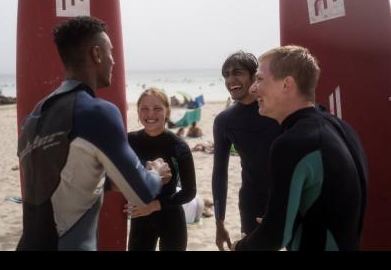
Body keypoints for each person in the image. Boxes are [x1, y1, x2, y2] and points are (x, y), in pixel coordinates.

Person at [16, 16, 172, 251]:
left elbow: (65, 179)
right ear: (97, 54)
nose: (113, 60)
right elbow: (141, 192)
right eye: (110, 52)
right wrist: (156, 173)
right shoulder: (98, 112)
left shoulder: (35, 115)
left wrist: (110, 182)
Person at [233, 45, 368, 251]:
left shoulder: (292, 143)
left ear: (287, 84)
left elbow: (274, 238)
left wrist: (240, 247)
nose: (252, 89)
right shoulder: (341, 128)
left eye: (259, 79)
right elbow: (334, 206)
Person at [212, 51, 282, 251]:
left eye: (237, 72)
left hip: (286, 197)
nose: (230, 79)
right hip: (252, 201)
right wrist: (219, 222)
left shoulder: (277, 110)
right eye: (226, 74)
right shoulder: (224, 121)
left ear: (254, 76)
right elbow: (219, 172)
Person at [126, 87, 196, 251]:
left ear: (168, 111)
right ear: (138, 111)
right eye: (144, 108)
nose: (150, 114)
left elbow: (189, 191)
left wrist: (152, 206)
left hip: (171, 218)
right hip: (140, 219)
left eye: (157, 108)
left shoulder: (178, 146)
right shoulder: (129, 141)